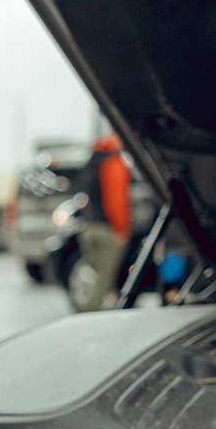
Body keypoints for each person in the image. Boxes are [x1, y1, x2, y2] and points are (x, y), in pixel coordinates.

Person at [70, 133, 134, 311]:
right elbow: (117, 200)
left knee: (98, 274)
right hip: (107, 230)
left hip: (89, 228)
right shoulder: (113, 164)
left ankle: (98, 308)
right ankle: (90, 313)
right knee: (105, 278)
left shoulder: (92, 163)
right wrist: (122, 229)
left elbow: (84, 198)